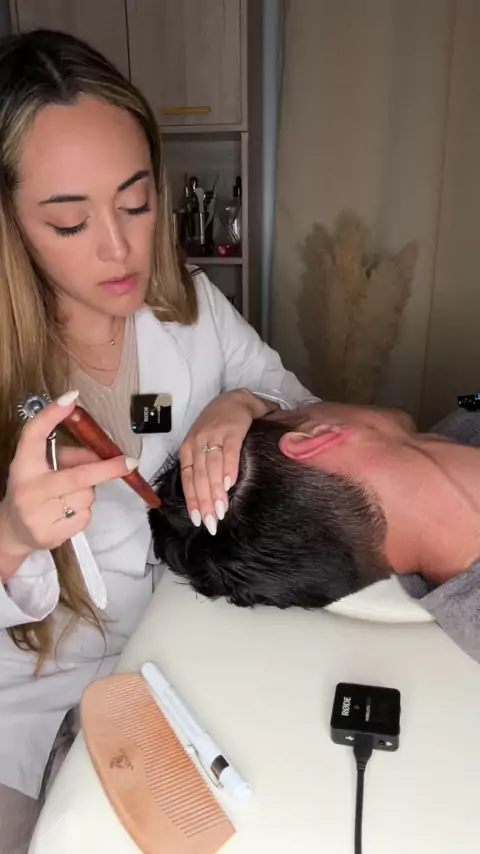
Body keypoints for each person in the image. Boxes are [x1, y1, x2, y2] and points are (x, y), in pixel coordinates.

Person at [0, 29, 318, 852]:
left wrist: (242, 403)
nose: (120, 248)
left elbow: (306, 410)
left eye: (136, 203)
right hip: (25, 702)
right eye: (70, 221)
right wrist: (11, 537)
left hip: (188, 652)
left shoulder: (190, 308)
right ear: (12, 226)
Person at [151, 401, 480, 665]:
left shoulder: (458, 433)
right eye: (294, 408)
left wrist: (241, 401)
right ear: (312, 438)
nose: (298, 403)